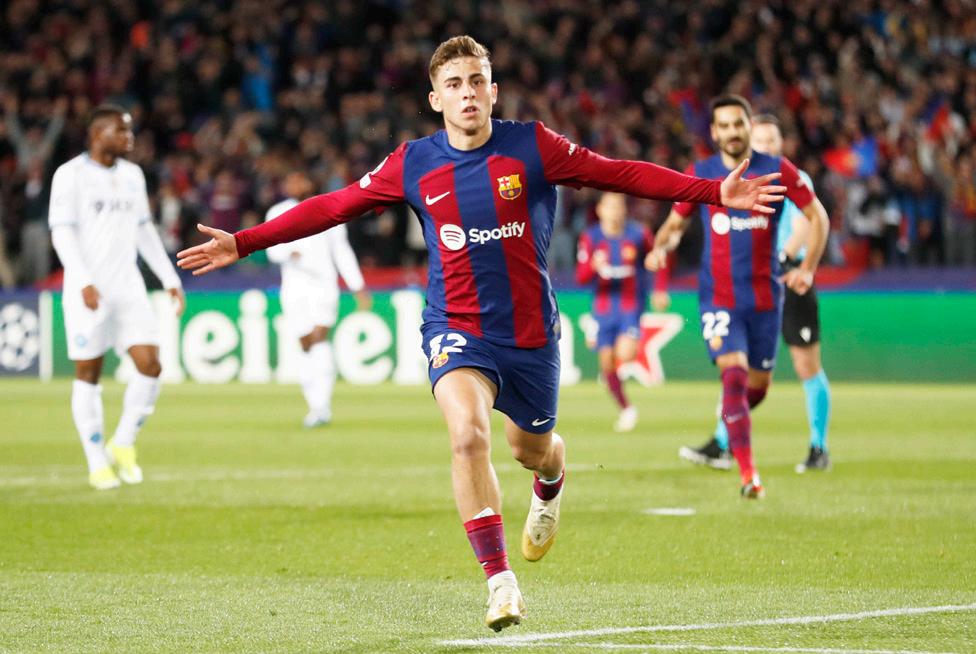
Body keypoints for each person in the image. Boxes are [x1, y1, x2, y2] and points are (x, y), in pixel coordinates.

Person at [177, 37, 784, 630]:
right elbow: (334, 205)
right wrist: (245, 241)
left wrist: (711, 192)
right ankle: (500, 582)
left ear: (493, 91)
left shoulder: (533, 146)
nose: (466, 93)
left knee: (530, 450)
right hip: (455, 326)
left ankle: (552, 477)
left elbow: (618, 173)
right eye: (453, 85)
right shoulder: (413, 162)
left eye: (476, 82)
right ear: (435, 99)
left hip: (531, 333)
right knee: (467, 436)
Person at [648, 95, 828, 498]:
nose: (732, 132)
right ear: (714, 132)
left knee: (757, 387)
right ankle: (749, 475)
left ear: (749, 127)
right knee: (734, 375)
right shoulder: (702, 173)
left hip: (765, 300)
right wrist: (662, 248)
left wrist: (808, 267)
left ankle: (731, 422)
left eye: (738, 124)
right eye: (724, 126)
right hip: (719, 298)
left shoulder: (778, 170)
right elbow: (674, 225)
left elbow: (818, 216)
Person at [49, 104, 185, 490]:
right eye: (121, 130)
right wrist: (82, 279)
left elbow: (144, 230)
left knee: (151, 364)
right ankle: (97, 461)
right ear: (97, 134)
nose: (129, 137)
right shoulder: (70, 175)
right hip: (88, 290)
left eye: (130, 130)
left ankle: (123, 442)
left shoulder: (132, 175)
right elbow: (62, 232)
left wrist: (169, 277)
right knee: (88, 373)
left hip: (128, 287)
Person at [750, 115, 832, 472]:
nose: (766, 146)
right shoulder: (744, 182)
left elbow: (805, 224)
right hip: (755, 280)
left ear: (781, 143)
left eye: (772, 140)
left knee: (806, 365)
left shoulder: (794, 179)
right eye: (760, 140)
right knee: (742, 366)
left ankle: (819, 447)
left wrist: (784, 259)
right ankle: (722, 441)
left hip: (788, 277)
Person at [265, 172, 371, 427]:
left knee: (319, 338)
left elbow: (342, 250)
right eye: (290, 181)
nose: (294, 184)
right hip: (294, 287)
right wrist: (288, 252)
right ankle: (314, 403)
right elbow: (269, 247)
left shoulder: (329, 207)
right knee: (305, 344)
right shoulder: (277, 211)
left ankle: (322, 406)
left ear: (310, 183)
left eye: (299, 180)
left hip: (324, 285)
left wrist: (357, 285)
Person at [575, 192, 653, 432]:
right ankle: (627, 409)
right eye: (609, 206)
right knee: (607, 364)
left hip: (630, 305)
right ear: (600, 210)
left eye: (618, 206)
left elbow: (657, 259)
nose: (614, 211)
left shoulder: (639, 234)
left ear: (625, 210)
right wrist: (592, 267)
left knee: (626, 353)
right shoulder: (590, 237)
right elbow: (581, 278)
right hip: (603, 307)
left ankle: (620, 383)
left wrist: (659, 289)